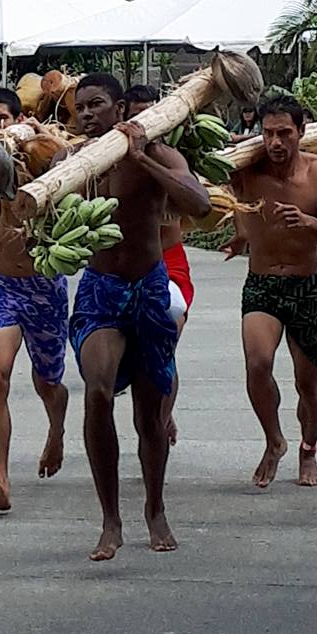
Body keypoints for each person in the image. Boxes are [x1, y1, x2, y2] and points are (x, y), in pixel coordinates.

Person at [69, 74, 210, 560]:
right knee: (97, 392)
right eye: (79, 107)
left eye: (97, 104)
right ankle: (110, 519)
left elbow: (200, 203)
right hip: (100, 292)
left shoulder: (155, 153)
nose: (87, 114)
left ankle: (155, 508)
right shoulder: (72, 166)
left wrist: (143, 159)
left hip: (149, 287)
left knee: (150, 416)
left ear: (119, 108)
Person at [222, 94, 317, 489]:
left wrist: (309, 224)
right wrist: (241, 232)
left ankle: (308, 449)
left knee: (308, 384)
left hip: (306, 285)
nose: (275, 142)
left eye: (284, 133)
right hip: (261, 284)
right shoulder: (247, 168)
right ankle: (274, 440)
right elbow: (205, 184)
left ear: (300, 131)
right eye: (268, 133)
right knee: (258, 365)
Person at [0, 87, 69, 512]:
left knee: (48, 382)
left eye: (1, 119)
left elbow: (77, 168)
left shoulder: (43, 159)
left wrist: (44, 138)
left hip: (45, 287)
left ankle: (57, 430)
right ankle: (1, 479)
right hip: (1, 287)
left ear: (18, 119)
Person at [124, 85, 196, 445]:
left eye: (156, 113)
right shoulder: (113, 156)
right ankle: (152, 416)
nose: (149, 122)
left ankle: (160, 420)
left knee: (167, 341)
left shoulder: (174, 158)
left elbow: (200, 201)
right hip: (130, 266)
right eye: (140, 114)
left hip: (170, 264)